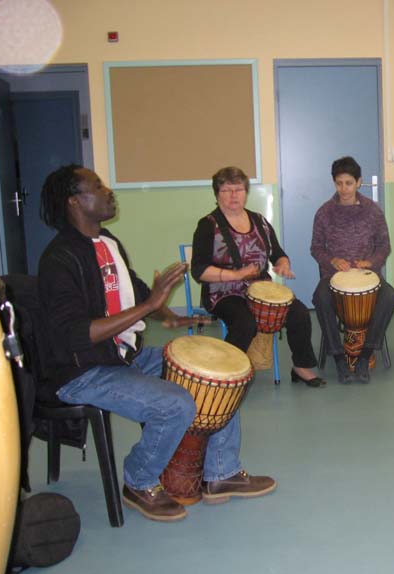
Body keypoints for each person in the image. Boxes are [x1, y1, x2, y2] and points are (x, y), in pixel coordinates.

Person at [38, 165, 276, 523]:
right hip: (82, 370)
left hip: (123, 355)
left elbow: (136, 291)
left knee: (219, 378)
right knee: (175, 404)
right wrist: (149, 306)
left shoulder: (107, 243)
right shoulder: (59, 260)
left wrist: (168, 315)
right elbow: (77, 334)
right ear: (75, 202)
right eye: (98, 187)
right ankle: (139, 480)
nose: (108, 191)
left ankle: (221, 473)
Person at [191, 166, 324, 387]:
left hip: (260, 290)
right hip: (223, 293)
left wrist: (283, 264)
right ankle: (227, 373)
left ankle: (301, 366)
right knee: (245, 321)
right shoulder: (208, 225)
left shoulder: (260, 221)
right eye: (227, 190)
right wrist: (236, 274)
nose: (234, 195)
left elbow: (278, 254)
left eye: (239, 189)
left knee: (299, 312)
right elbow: (199, 270)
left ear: (246, 192)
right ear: (217, 194)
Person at [311, 156, 394, 384]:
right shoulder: (324, 212)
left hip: (368, 276)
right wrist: (332, 260)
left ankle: (365, 355)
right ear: (334, 183)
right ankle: (339, 357)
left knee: (390, 297)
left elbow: (384, 245)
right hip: (333, 277)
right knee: (319, 298)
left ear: (359, 182)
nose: (344, 189)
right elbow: (316, 248)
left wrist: (371, 261)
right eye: (339, 183)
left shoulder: (372, 210)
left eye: (349, 183)